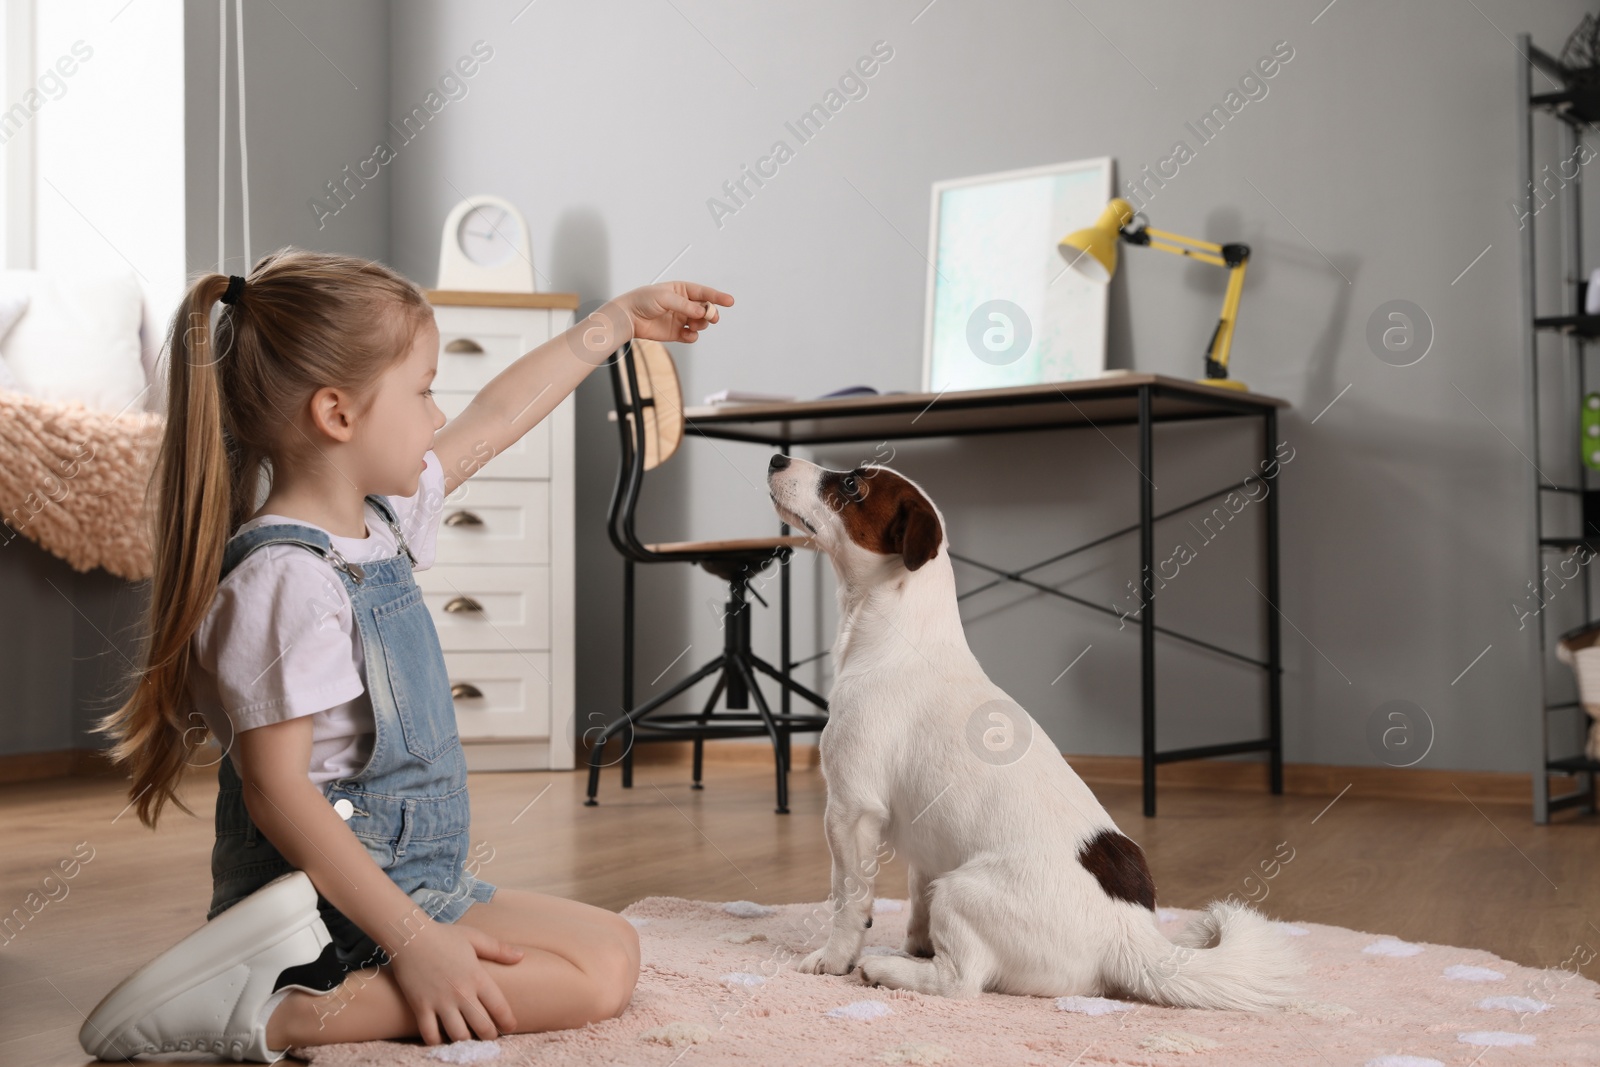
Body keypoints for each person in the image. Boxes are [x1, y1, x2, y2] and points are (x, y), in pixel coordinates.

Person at [83, 247, 733, 1061]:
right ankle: (274, 1010)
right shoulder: (287, 581)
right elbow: (276, 793)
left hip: (418, 880)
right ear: (337, 415)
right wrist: (417, 943)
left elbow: (498, 417)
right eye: (423, 390)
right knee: (594, 981)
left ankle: (308, 990)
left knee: (612, 949)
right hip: (324, 906)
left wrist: (615, 324)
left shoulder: (376, 524)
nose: (437, 415)